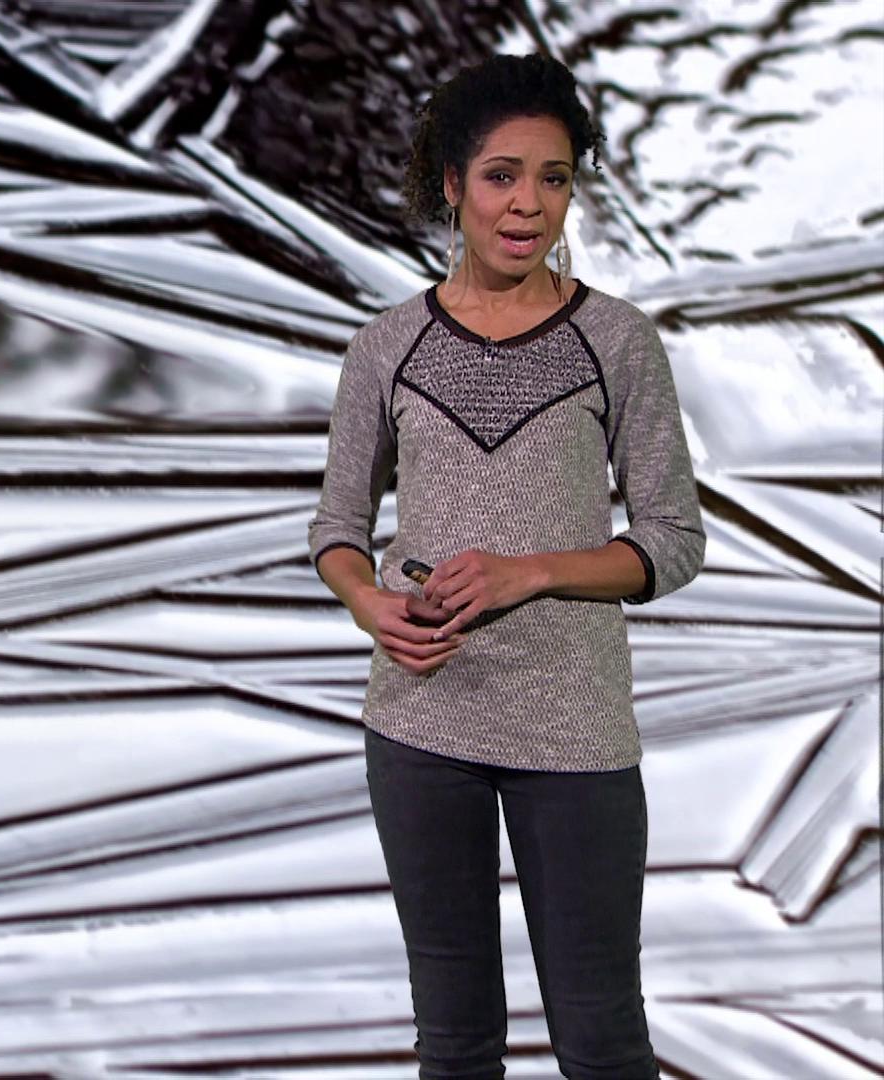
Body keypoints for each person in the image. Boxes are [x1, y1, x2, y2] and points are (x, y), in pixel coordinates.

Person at [306, 53, 706, 1079]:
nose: (528, 203)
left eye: (554, 178)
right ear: (451, 183)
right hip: (420, 724)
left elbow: (672, 538)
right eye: (501, 175)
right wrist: (365, 603)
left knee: (603, 1043)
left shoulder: (617, 340)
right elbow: (337, 527)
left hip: (573, 725)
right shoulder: (385, 345)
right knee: (455, 1046)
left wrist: (532, 572)